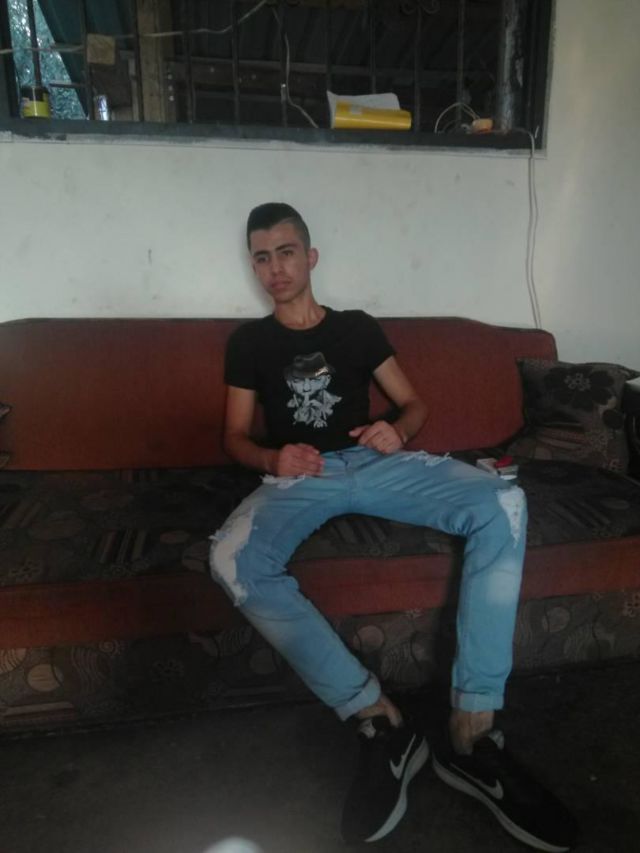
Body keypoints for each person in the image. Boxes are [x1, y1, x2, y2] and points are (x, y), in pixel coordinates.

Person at [210, 203, 577, 851]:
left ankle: (472, 729)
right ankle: (378, 717)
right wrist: (272, 458)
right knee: (231, 560)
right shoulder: (249, 343)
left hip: (374, 462)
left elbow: (414, 404)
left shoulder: (355, 328)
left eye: (286, 252)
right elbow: (234, 437)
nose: (275, 268)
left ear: (311, 257)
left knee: (504, 503)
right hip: (300, 476)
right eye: (261, 257)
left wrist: (397, 430)